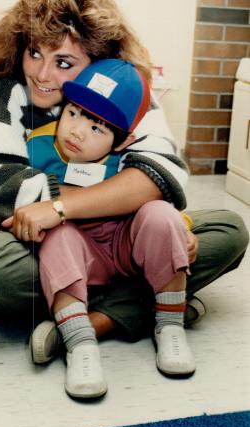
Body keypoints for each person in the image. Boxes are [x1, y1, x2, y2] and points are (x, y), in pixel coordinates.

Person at [0, 0, 248, 393]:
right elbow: (3, 190)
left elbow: (163, 175)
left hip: (116, 238)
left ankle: (85, 322)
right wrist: (118, 196)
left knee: (227, 230)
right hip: (36, 242)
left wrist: (58, 206)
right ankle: (153, 303)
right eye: (34, 52)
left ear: (100, 60)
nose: (42, 74)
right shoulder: (1, 81)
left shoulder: (125, 86)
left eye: (64, 62)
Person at [27, 57, 197, 399]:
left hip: (125, 244)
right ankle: (80, 344)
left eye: (96, 127)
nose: (76, 131)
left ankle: (170, 326)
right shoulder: (38, 144)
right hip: (79, 254)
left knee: (164, 217)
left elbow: (164, 200)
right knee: (57, 234)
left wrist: (185, 229)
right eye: (73, 113)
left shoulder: (131, 157)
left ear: (122, 141)